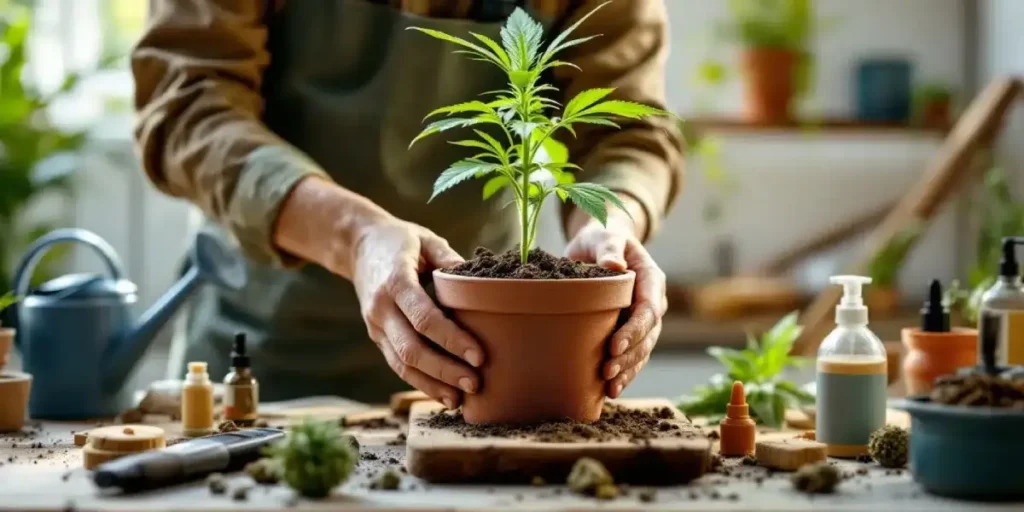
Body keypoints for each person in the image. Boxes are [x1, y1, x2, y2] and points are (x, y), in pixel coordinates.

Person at [132, 0, 683, 406]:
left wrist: (610, 227)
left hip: (484, 365)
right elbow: (189, 105)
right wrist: (357, 234)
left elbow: (627, 132)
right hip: (268, 355)